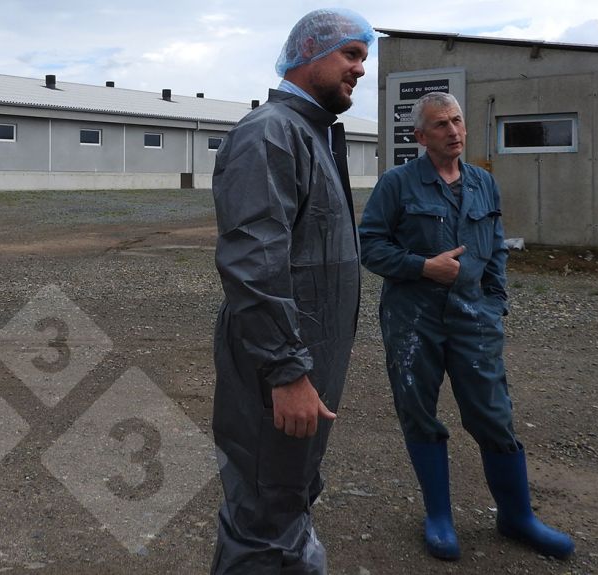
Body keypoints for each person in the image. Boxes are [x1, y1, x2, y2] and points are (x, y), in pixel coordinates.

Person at [358, 91, 575, 561]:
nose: (453, 131)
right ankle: (439, 517)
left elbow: (495, 247)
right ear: (420, 136)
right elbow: (369, 246)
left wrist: (495, 302)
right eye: (441, 124)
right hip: (413, 319)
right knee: (419, 412)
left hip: (474, 317)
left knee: (492, 414)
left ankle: (517, 517)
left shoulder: (483, 183)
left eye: (457, 121)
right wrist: (422, 267)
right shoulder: (396, 184)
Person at [210, 8, 374, 574]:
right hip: (277, 370)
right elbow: (253, 264)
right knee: (265, 515)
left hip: (304, 361)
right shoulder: (270, 134)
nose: (361, 70)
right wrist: (285, 372)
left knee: (287, 499)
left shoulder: (314, 134)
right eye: (351, 54)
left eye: (364, 58)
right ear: (309, 52)